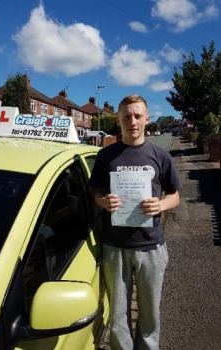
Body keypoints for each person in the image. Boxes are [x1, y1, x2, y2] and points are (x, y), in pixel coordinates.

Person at [88, 94, 180, 350]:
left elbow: (175, 196)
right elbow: (94, 191)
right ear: (118, 121)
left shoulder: (161, 156)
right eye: (126, 116)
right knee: (118, 315)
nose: (133, 121)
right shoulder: (106, 156)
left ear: (147, 119)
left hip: (151, 246)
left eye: (138, 115)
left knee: (150, 313)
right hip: (114, 246)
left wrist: (161, 204)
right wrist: (102, 201)